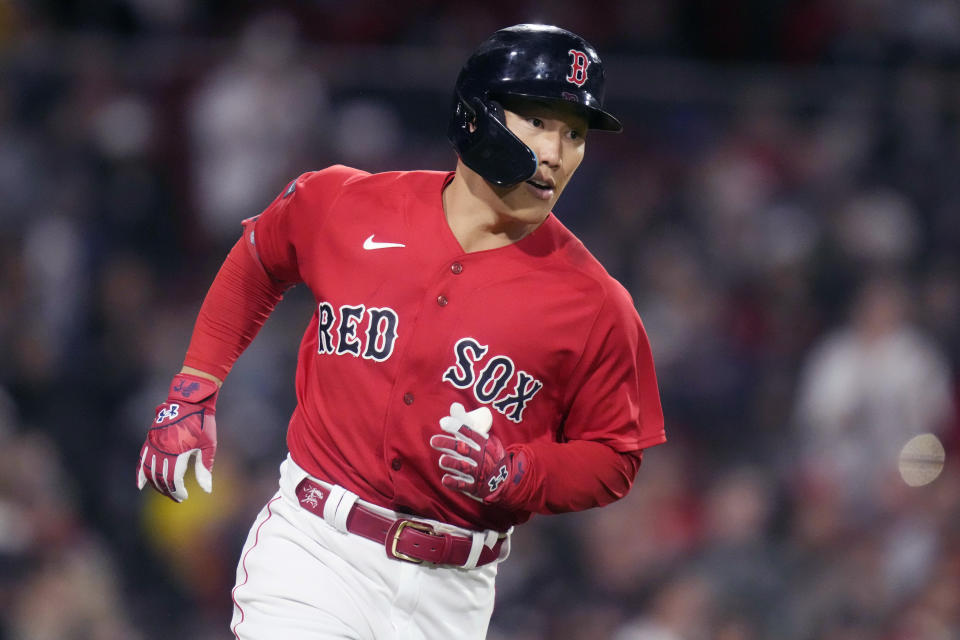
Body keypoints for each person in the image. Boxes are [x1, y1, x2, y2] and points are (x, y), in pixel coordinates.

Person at [136, 23, 666, 639]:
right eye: (538, 122)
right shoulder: (347, 204)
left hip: (455, 592)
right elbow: (260, 256)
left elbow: (615, 456)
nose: (556, 152)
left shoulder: (596, 303)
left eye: (574, 134)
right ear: (479, 115)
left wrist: (523, 473)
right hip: (318, 552)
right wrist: (195, 385)